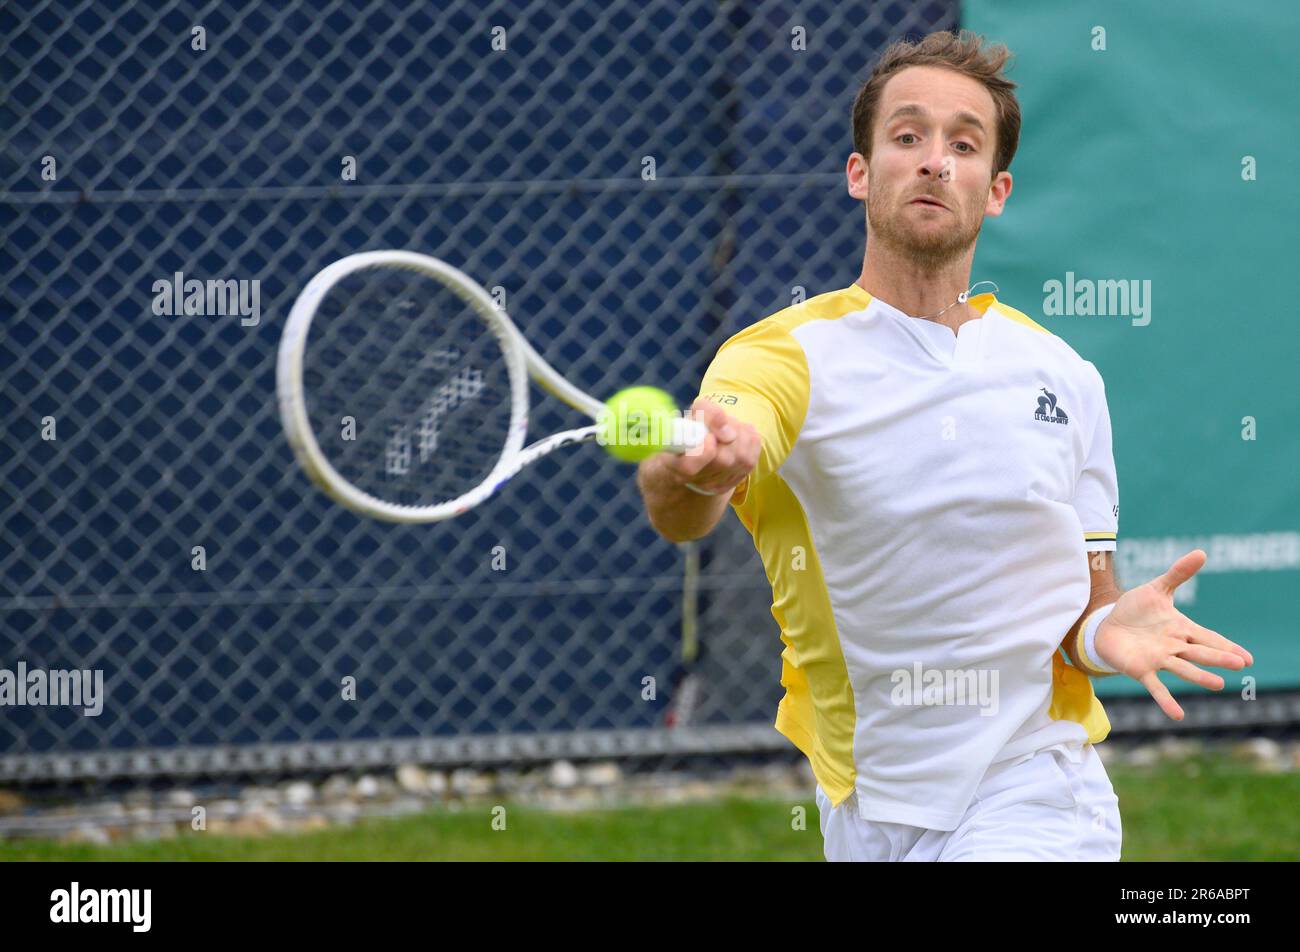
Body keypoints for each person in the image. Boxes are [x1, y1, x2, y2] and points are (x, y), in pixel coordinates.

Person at [636, 30, 1253, 861]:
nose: (935, 161)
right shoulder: (776, 359)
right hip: (863, 809)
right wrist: (694, 468)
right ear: (861, 173)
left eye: (963, 144)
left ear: (995, 190)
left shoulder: (1065, 379)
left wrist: (1110, 629)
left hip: (1036, 792)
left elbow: (1084, 611)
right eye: (908, 136)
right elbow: (682, 510)